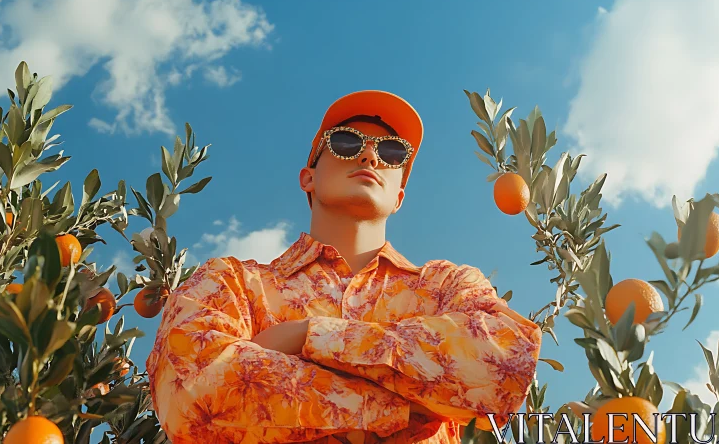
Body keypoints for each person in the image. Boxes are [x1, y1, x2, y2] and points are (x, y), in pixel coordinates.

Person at [145, 90, 543, 443]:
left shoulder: (446, 284)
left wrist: (309, 336)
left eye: (391, 152)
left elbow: (506, 360)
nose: (370, 155)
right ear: (308, 178)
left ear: (399, 197)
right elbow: (189, 392)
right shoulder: (232, 283)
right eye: (346, 142)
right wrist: (410, 404)